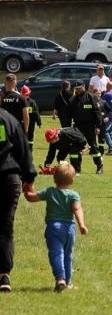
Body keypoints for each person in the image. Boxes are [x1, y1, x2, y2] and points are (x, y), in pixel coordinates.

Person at [23, 160, 88, 291]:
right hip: (70, 229)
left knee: (56, 253)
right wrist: (81, 224)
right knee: (68, 255)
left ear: (54, 178)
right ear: (72, 180)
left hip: (54, 228)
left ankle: (60, 279)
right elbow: (77, 209)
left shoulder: (50, 191)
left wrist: (27, 188)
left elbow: (31, 197)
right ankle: (68, 282)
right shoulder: (74, 195)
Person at [0, 103, 37, 293]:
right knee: (5, 226)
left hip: (8, 178)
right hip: (8, 178)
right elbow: (23, 150)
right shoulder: (8, 120)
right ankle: (3, 274)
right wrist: (29, 178)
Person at [70, 80, 104, 173]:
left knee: (93, 146)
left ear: (84, 87)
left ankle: (99, 166)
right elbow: (69, 114)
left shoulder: (91, 97)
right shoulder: (73, 99)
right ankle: (76, 169)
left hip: (90, 126)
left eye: (80, 88)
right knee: (76, 147)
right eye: (76, 89)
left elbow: (97, 112)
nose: (78, 90)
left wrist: (98, 126)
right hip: (77, 126)